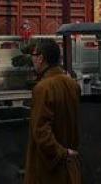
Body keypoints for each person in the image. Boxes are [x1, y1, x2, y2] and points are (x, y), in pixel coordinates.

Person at [24, 38, 81, 184]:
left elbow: (41, 131)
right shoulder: (73, 84)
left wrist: (61, 152)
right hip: (71, 163)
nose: (32, 59)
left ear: (41, 58)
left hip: (49, 167)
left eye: (33, 55)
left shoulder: (43, 88)